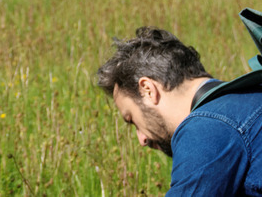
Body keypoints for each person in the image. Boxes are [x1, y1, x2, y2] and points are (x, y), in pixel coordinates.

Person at [96, 26, 262, 195]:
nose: (142, 139)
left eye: (132, 119)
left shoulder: (205, 130)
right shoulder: (251, 99)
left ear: (148, 90)